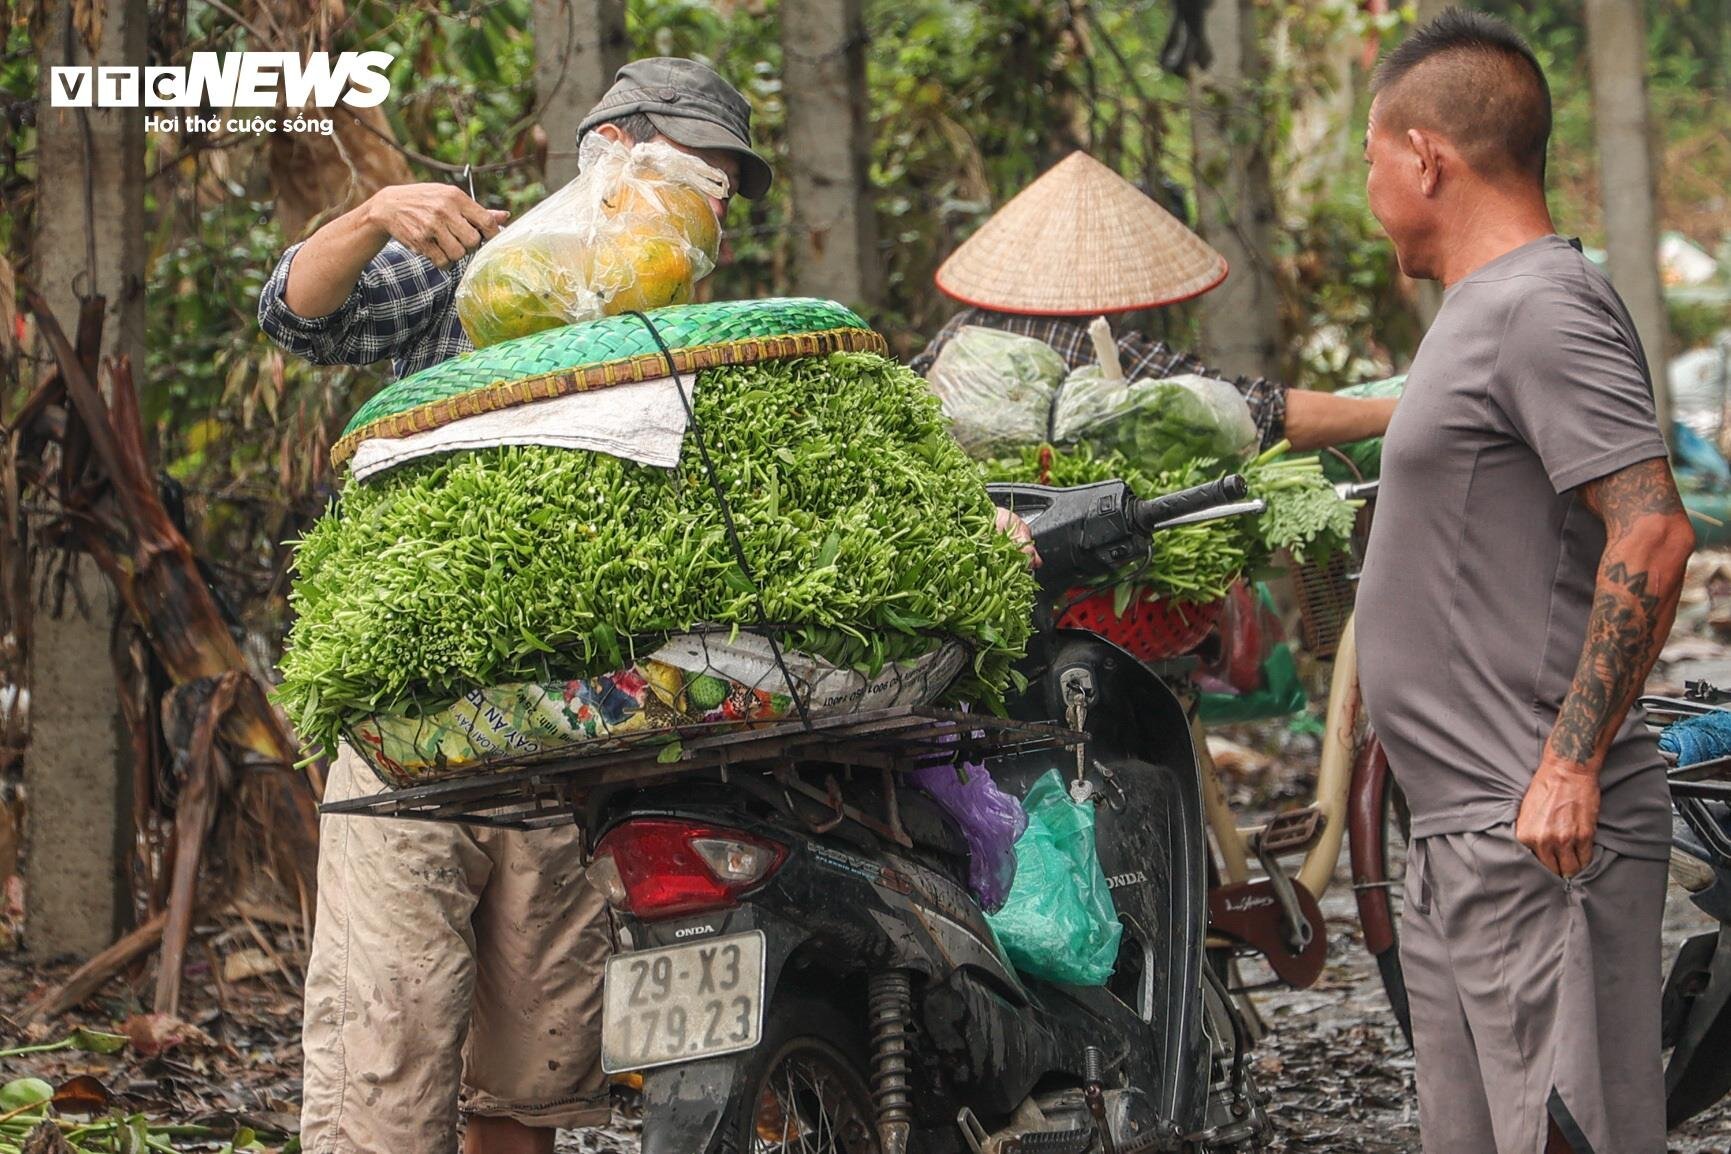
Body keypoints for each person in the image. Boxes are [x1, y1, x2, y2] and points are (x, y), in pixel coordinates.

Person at [258, 59, 771, 1154]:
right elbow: (297, 313)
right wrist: (376, 213)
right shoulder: (485, 262)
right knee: (385, 1070)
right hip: (410, 742)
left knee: (535, 1074)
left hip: (575, 749)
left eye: (723, 185)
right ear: (612, 151)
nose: (710, 197)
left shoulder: (691, 334)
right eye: (695, 166)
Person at [1354, 10, 1695, 1154]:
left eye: (1370, 160)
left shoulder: (1541, 304)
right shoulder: (1482, 311)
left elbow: (1653, 530)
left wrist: (1571, 762)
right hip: (1470, 831)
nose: (1370, 191)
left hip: (1537, 834)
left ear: (1425, 157)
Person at [909, 150, 1396, 452]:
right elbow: (1259, 413)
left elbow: (905, 404)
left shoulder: (961, 331)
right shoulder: (1100, 347)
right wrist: (1397, 412)